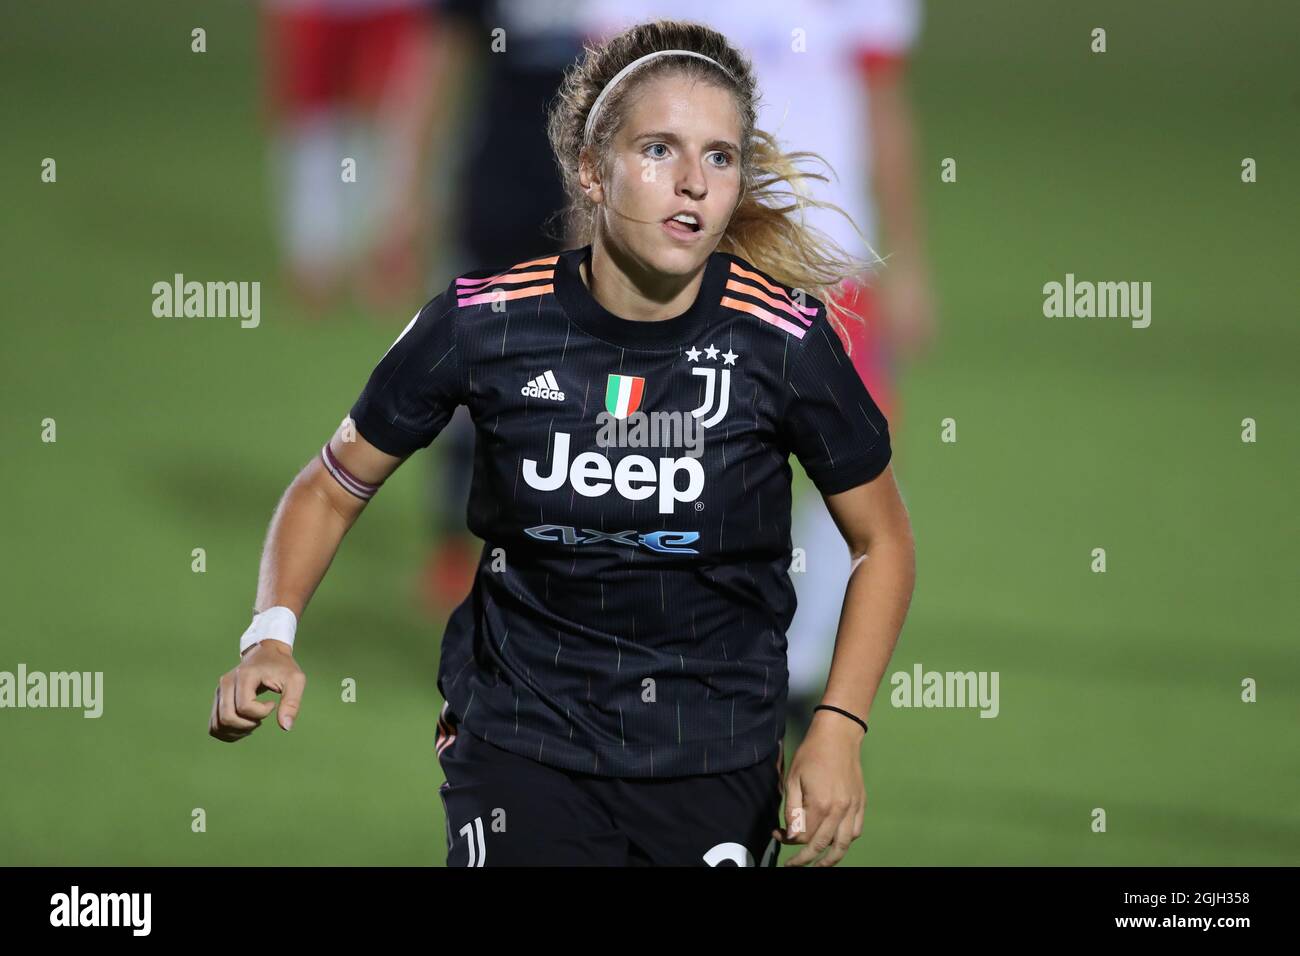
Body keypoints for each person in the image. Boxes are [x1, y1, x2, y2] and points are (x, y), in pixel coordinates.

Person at [210, 18, 916, 868]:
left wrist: (838, 726)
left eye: (720, 158)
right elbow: (331, 486)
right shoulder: (482, 323)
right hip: (519, 749)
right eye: (659, 150)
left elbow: (882, 540)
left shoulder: (782, 341)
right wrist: (271, 635)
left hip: (715, 761)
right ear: (591, 168)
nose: (692, 183)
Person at [586, 0, 936, 739]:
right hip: (691, 252)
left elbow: (883, 106)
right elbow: (602, 114)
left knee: (859, 455)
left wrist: (907, 262)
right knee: (656, 446)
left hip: (834, 257)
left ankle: (799, 674)